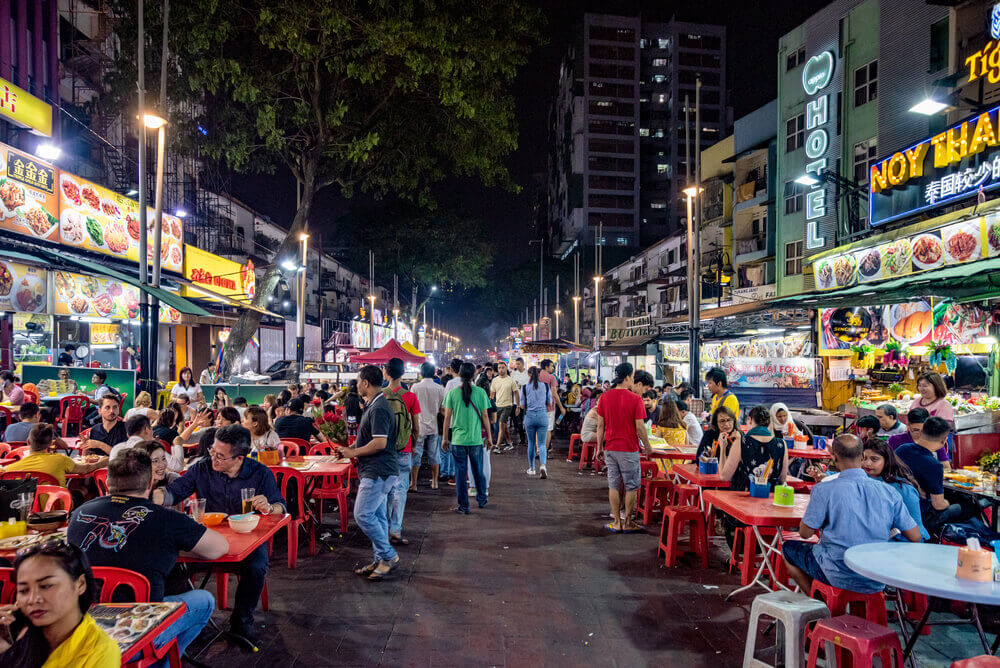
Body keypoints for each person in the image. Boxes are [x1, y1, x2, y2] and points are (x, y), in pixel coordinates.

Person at [68, 448, 228, 660]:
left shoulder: (79, 513)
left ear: (107, 483)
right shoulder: (166, 519)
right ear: (150, 484)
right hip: (137, 634)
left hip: (78, 630)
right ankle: (161, 662)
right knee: (204, 599)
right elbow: (220, 548)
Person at [156, 424, 285, 646]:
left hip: (247, 536)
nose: (214, 459)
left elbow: (280, 507)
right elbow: (173, 493)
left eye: (221, 456)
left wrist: (268, 507)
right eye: (212, 452)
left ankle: (242, 622)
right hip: (206, 536)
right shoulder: (202, 469)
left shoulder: (259, 472)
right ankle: (194, 622)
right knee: (168, 562)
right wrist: (148, 495)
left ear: (239, 458)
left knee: (257, 567)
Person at [782, 434, 921, 594]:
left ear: (833, 457)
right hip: (876, 576)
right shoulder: (889, 491)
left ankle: (818, 603)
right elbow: (915, 536)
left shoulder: (824, 489)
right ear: (862, 457)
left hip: (837, 572)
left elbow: (805, 534)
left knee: (788, 548)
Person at [0, 540, 120, 666]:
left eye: (46, 586)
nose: (33, 599)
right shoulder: (21, 637)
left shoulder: (100, 652)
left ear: (80, 584)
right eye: (24, 590)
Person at [332, 365, 400, 580]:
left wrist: (351, 452)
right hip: (377, 469)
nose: (357, 384)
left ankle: (388, 556)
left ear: (366, 383)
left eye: (358, 380)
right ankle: (380, 559)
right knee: (378, 517)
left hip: (378, 471)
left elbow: (380, 443)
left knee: (362, 514)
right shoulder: (374, 404)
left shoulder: (379, 407)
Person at [596, 362, 653, 533]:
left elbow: (600, 426)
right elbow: (640, 427)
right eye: (632, 376)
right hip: (629, 448)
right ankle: (627, 522)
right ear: (627, 377)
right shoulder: (635, 399)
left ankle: (616, 522)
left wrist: (599, 447)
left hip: (611, 448)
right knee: (631, 486)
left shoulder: (604, 397)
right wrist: (648, 447)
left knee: (613, 485)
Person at [894, 416, 972, 533]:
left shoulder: (902, 449)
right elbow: (938, 505)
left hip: (897, 508)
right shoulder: (934, 465)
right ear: (944, 440)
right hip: (921, 516)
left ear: (921, 432)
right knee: (969, 506)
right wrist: (948, 502)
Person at [442, 362, 493, 514]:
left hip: (457, 440)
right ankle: (482, 499)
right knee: (478, 471)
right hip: (476, 440)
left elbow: (447, 418)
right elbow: (485, 416)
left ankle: (464, 506)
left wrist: (445, 438)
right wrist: (489, 437)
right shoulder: (480, 392)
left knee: (460, 474)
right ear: (473, 375)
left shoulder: (452, 393)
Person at [383, 358, 420, 547]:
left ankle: (383, 529)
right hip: (403, 448)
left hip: (383, 450)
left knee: (385, 490)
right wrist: (412, 444)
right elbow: (416, 427)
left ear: (386, 372)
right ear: (403, 372)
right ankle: (395, 530)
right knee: (400, 490)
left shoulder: (379, 396)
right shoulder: (410, 397)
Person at [861, 438, 929, 541]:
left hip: (900, 543)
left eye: (874, 459)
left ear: (887, 460)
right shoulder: (861, 480)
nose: (867, 463)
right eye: (864, 458)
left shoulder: (903, 489)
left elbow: (916, 531)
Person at [6, 424, 106, 487]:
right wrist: (103, 463)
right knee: (82, 490)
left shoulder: (10, 470)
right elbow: (86, 469)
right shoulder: (61, 460)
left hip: (24, 511)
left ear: (28, 442)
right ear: (51, 444)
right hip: (57, 510)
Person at [720, 405, 787, 492]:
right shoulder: (781, 443)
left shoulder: (741, 442)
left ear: (749, 420)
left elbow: (724, 476)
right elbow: (782, 478)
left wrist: (722, 448)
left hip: (743, 499)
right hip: (770, 499)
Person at [411, 362, 445, 490]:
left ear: (421, 373)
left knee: (416, 454)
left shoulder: (415, 387)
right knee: (434, 455)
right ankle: (435, 482)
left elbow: (412, 407)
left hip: (418, 426)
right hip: (433, 426)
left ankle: (413, 483)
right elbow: (443, 409)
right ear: (434, 373)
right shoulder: (440, 388)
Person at [519, 365, 553, 478]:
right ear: (539, 375)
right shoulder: (546, 386)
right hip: (543, 416)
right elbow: (549, 403)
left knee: (531, 443)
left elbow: (522, 406)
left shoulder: (524, 388)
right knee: (542, 444)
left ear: (529, 375)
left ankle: (532, 468)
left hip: (530, 417)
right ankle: (543, 465)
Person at [490, 361, 519, 453]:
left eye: (503, 367)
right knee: (504, 426)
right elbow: (492, 394)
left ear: (506, 368)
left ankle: (497, 446)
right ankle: (509, 442)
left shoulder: (511, 380)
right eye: (499, 368)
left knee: (501, 425)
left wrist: (518, 406)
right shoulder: (495, 380)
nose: (501, 369)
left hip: (508, 406)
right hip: (497, 405)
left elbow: (516, 393)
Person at [538, 359, 565, 454]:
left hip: (536, 407)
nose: (553, 368)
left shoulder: (534, 376)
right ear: (546, 367)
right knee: (548, 429)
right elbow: (554, 394)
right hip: (549, 408)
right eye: (552, 366)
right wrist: (561, 407)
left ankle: (538, 450)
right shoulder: (551, 377)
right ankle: (544, 451)